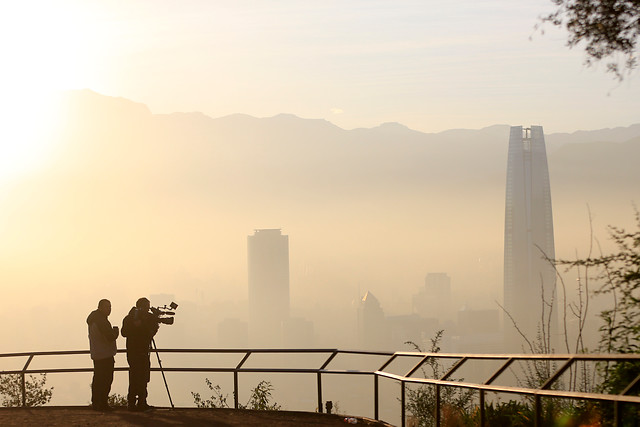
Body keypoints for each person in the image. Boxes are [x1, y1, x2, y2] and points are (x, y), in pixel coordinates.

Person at [121, 297, 159, 411]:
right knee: (135, 378)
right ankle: (132, 403)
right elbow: (124, 332)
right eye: (146, 307)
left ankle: (142, 401)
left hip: (142, 351)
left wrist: (153, 323)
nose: (148, 310)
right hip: (135, 352)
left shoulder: (146, 318)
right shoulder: (129, 319)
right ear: (140, 307)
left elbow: (150, 333)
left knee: (144, 377)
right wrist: (136, 326)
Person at [87, 299, 119, 411]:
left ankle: (96, 402)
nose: (109, 309)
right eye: (107, 307)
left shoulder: (93, 320)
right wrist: (115, 332)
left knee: (98, 379)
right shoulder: (101, 321)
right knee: (105, 380)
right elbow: (110, 337)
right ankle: (103, 403)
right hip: (105, 354)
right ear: (100, 307)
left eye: (110, 307)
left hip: (97, 353)